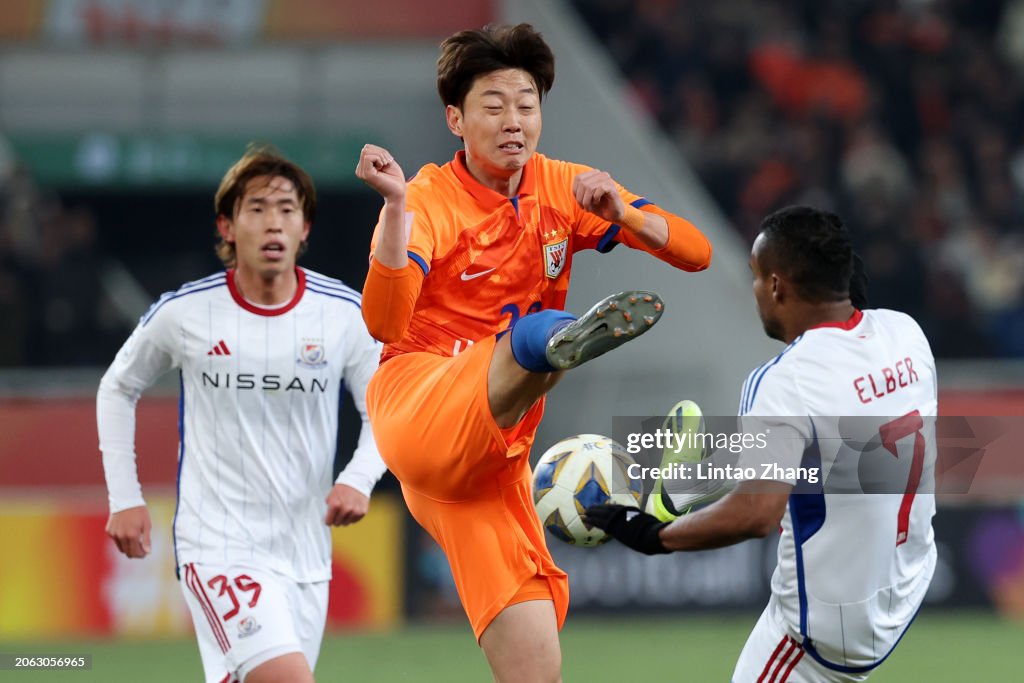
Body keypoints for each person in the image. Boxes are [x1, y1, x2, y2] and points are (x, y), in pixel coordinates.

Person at [354, 23, 712, 683]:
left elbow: (697, 251)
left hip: (492, 466)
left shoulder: (562, 187)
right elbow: (382, 321)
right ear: (455, 119)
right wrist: (396, 210)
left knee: (536, 666)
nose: (513, 120)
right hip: (418, 408)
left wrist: (626, 215)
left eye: (526, 104)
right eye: (493, 106)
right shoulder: (428, 200)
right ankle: (551, 341)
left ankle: (550, 343)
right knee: (534, 334)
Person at [587, 206, 938, 682]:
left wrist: (655, 537)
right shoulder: (906, 333)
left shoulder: (784, 380)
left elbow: (756, 514)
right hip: (907, 579)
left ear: (776, 286)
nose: (754, 291)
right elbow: (839, 429)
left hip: (829, 627)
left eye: (755, 277)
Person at [97, 146, 387, 683]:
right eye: (257, 208)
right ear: (227, 227)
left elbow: (389, 409)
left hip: (305, 555)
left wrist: (358, 479)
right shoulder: (186, 313)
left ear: (305, 229)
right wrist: (125, 497)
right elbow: (118, 388)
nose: (272, 221)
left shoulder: (344, 314)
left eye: (286, 208)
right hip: (219, 547)